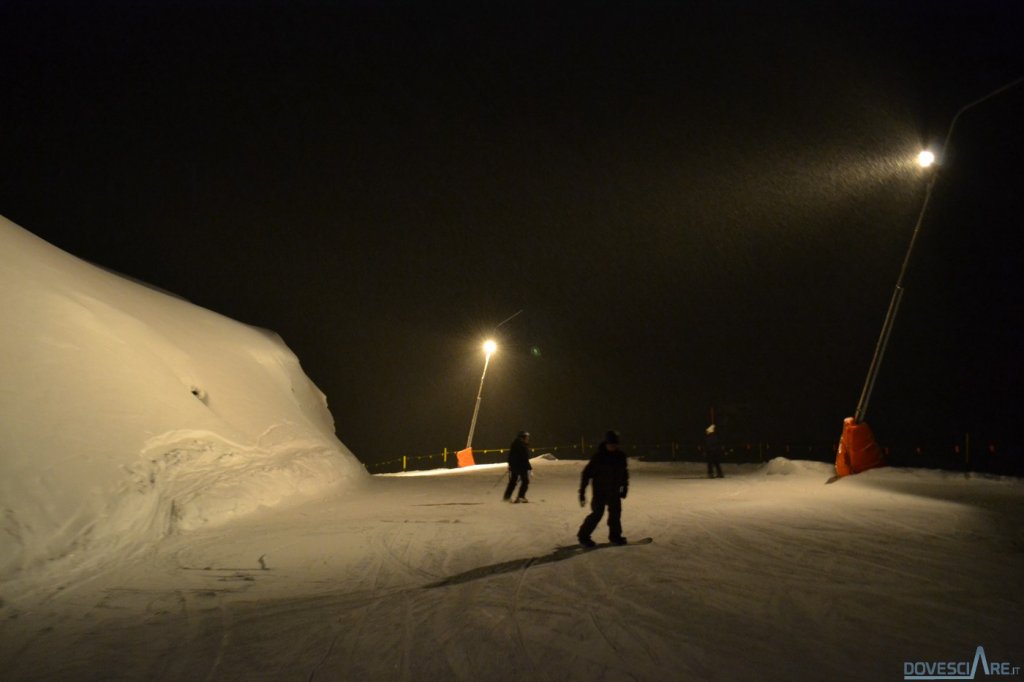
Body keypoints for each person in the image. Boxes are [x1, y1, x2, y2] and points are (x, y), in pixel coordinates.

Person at [577, 430, 629, 546]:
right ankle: (583, 536)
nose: (613, 447)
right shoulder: (598, 457)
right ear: (606, 443)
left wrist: (624, 487)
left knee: (615, 514)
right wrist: (582, 492)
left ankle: (615, 536)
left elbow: (624, 474)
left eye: (615, 444)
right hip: (600, 492)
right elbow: (586, 474)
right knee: (597, 514)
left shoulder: (620, 456)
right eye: (611, 444)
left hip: (614, 491)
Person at [503, 430, 533, 502]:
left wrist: (510, 465)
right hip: (520, 466)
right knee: (525, 481)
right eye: (527, 437)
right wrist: (529, 467)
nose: (528, 439)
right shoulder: (521, 445)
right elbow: (524, 457)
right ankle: (520, 496)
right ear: (523, 437)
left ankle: (507, 496)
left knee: (513, 481)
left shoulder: (516, 444)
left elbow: (511, 456)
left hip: (516, 466)